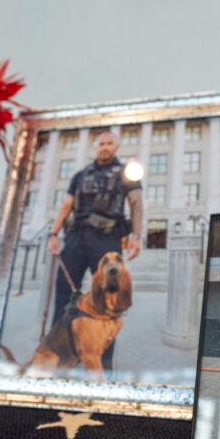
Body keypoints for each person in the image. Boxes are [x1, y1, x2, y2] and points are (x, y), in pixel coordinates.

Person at [47, 131, 143, 326]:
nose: (105, 147)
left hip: (106, 238)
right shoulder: (80, 175)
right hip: (76, 236)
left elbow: (136, 204)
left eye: (109, 143)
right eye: (101, 144)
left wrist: (136, 236)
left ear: (116, 147)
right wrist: (54, 233)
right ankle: (58, 347)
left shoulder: (126, 173)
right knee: (64, 290)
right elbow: (67, 205)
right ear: (96, 148)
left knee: (109, 295)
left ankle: (104, 355)